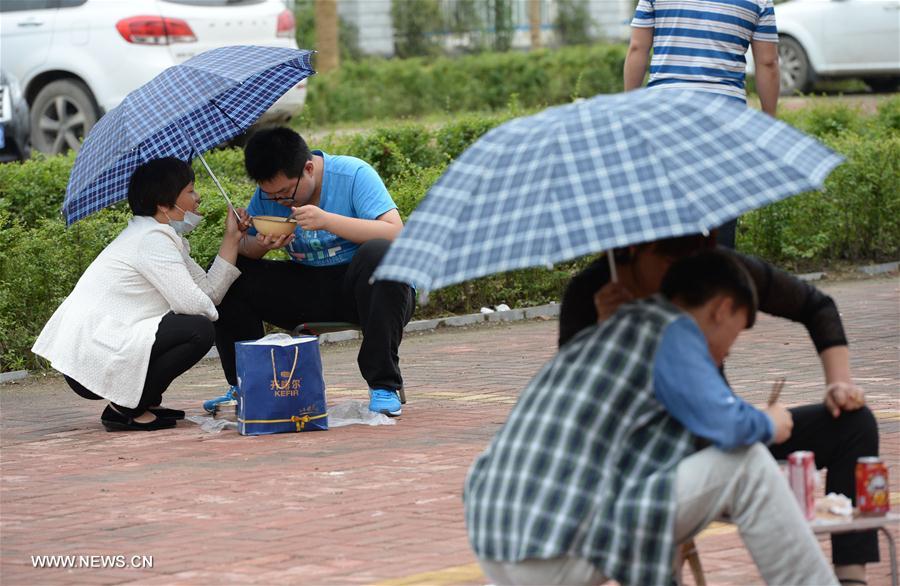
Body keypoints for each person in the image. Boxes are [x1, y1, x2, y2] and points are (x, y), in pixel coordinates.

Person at [464, 250, 837, 585]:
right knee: (748, 463)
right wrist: (771, 421)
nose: (725, 354)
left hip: (497, 534)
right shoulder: (674, 331)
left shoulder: (621, 324)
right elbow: (728, 425)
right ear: (722, 308)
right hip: (552, 550)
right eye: (734, 335)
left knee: (659, 476)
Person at [559, 235, 879, 585]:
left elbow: (817, 306)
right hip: (654, 458)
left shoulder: (716, 269)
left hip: (730, 429)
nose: (682, 266)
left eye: (696, 251)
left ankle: (852, 579)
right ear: (634, 248)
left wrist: (840, 384)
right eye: (670, 257)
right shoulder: (592, 292)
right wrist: (606, 336)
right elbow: (573, 403)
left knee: (852, 423)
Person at [204, 127, 415, 417]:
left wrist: (328, 221)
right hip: (308, 287)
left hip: (367, 289)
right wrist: (263, 243)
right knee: (232, 273)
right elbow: (249, 249)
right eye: (272, 196)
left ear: (308, 168)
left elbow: (395, 233)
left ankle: (383, 384)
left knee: (381, 253)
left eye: (285, 194)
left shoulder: (353, 174)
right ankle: (246, 383)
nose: (281, 201)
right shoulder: (269, 195)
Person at [32, 157, 250, 432]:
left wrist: (232, 237)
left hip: (96, 346)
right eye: (190, 191)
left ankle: (143, 401)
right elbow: (196, 304)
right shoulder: (152, 240)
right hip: (92, 355)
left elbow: (208, 293)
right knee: (198, 330)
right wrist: (214, 314)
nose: (198, 198)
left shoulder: (160, 235)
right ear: (164, 205)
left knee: (194, 322)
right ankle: (126, 408)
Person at [623, 0, 781, 248]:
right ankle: (718, 277)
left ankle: (671, 277)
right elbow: (768, 63)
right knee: (724, 205)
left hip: (664, 114)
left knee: (669, 207)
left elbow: (637, 49)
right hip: (725, 117)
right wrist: (769, 121)